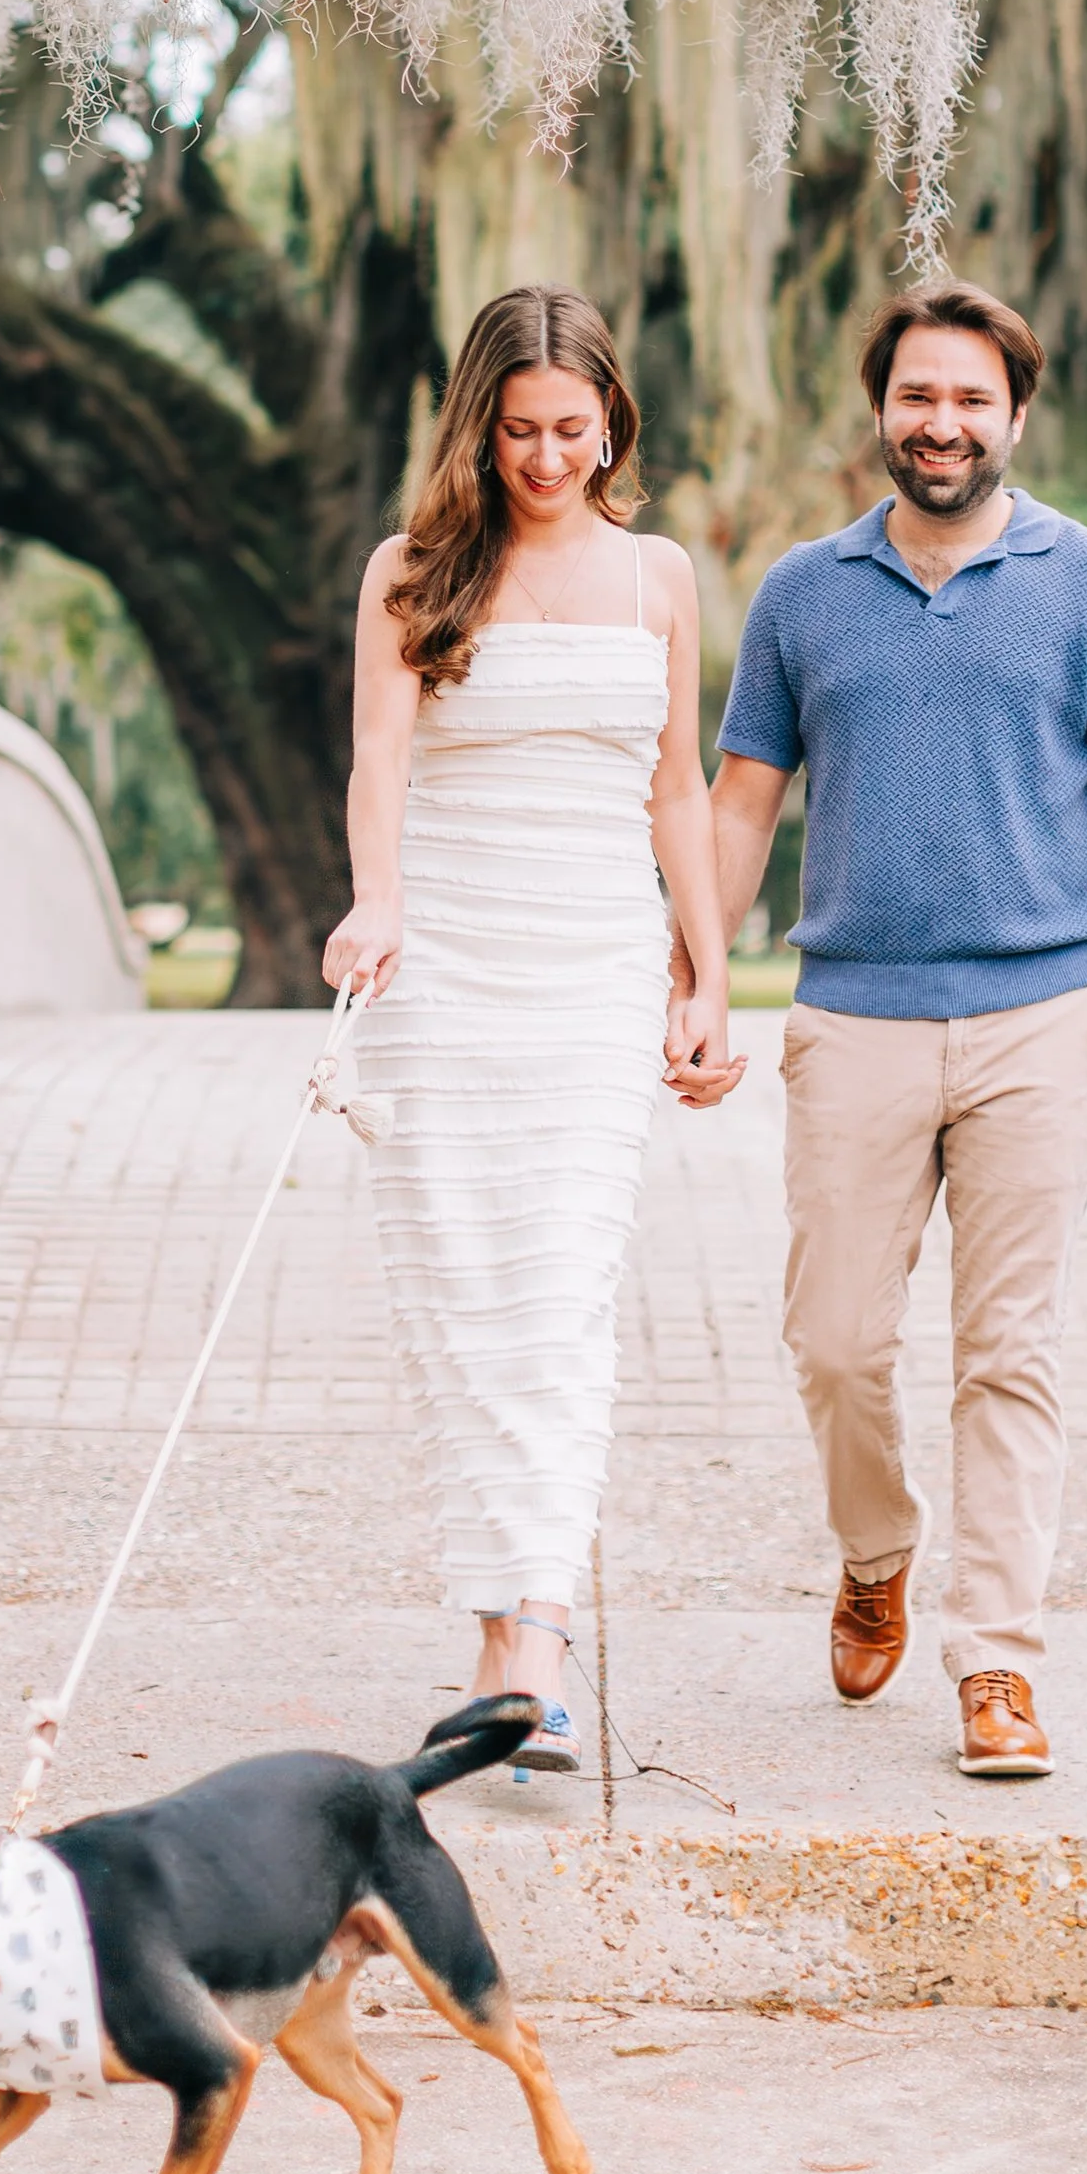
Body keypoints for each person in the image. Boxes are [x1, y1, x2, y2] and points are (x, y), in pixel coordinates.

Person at [695, 279, 1087, 1778]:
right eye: (920, 395)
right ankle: (875, 1546)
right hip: (851, 1015)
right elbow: (738, 806)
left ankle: (996, 1663)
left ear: (1016, 415)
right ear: (882, 409)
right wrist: (698, 976)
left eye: (972, 398)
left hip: (1045, 1016)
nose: (943, 422)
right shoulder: (802, 594)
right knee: (836, 1342)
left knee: (1010, 1350)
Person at [324, 285, 744, 1775]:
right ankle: (489, 1627)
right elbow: (380, 759)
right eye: (520, 431)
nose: (548, 457)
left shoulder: (659, 579)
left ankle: (542, 1640)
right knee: (463, 1287)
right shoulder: (411, 570)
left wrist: (707, 970)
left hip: (592, 963)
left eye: (574, 429)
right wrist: (376, 903)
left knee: (561, 1282)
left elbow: (677, 788)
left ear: (612, 422)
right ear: (478, 426)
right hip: (441, 962)